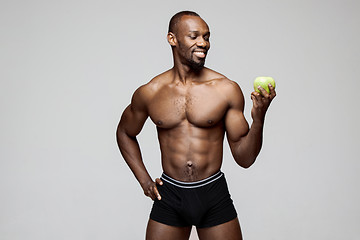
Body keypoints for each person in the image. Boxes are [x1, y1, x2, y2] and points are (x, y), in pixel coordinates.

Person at [116, 10, 276, 240]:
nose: (204, 43)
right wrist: (145, 181)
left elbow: (245, 158)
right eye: (194, 36)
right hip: (169, 196)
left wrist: (259, 117)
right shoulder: (151, 92)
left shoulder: (225, 89)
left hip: (213, 194)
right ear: (172, 39)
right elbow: (124, 132)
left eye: (207, 36)